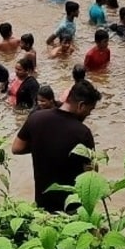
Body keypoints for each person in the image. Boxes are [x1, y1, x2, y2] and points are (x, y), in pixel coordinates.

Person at [12, 80, 102, 213]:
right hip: (71, 208)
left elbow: (16, 148)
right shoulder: (83, 133)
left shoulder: (36, 118)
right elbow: (91, 172)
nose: (89, 114)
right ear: (81, 105)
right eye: (90, 109)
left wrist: (41, 144)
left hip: (42, 206)